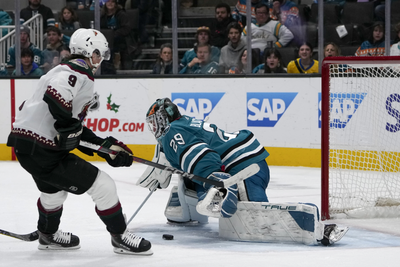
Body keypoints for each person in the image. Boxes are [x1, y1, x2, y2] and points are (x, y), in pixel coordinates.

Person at [6, 28, 152, 255]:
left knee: (54, 193)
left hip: (28, 148)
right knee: (104, 186)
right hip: (42, 150)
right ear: (89, 51)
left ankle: (48, 234)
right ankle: (120, 237)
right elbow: (56, 97)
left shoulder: (62, 69)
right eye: (99, 54)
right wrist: (70, 128)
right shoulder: (79, 70)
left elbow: (69, 123)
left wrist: (105, 146)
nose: (100, 60)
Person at [138, 98, 348, 246]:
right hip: (249, 159)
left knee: (256, 216)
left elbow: (203, 155)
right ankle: (188, 211)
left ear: (164, 119)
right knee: (193, 182)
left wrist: (215, 180)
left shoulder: (172, 132)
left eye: (155, 122)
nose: (154, 129)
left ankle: (317, 227)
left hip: (242, 167)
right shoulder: (183, 125)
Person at [100, 0, 135, 71]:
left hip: (122, 42)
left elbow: (126, 28)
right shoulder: (102, 15)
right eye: (108, 1)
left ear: (115, 3)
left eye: (112, 1)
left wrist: (113, 34)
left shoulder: (121, 14)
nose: (110, 3)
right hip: (107, 43)